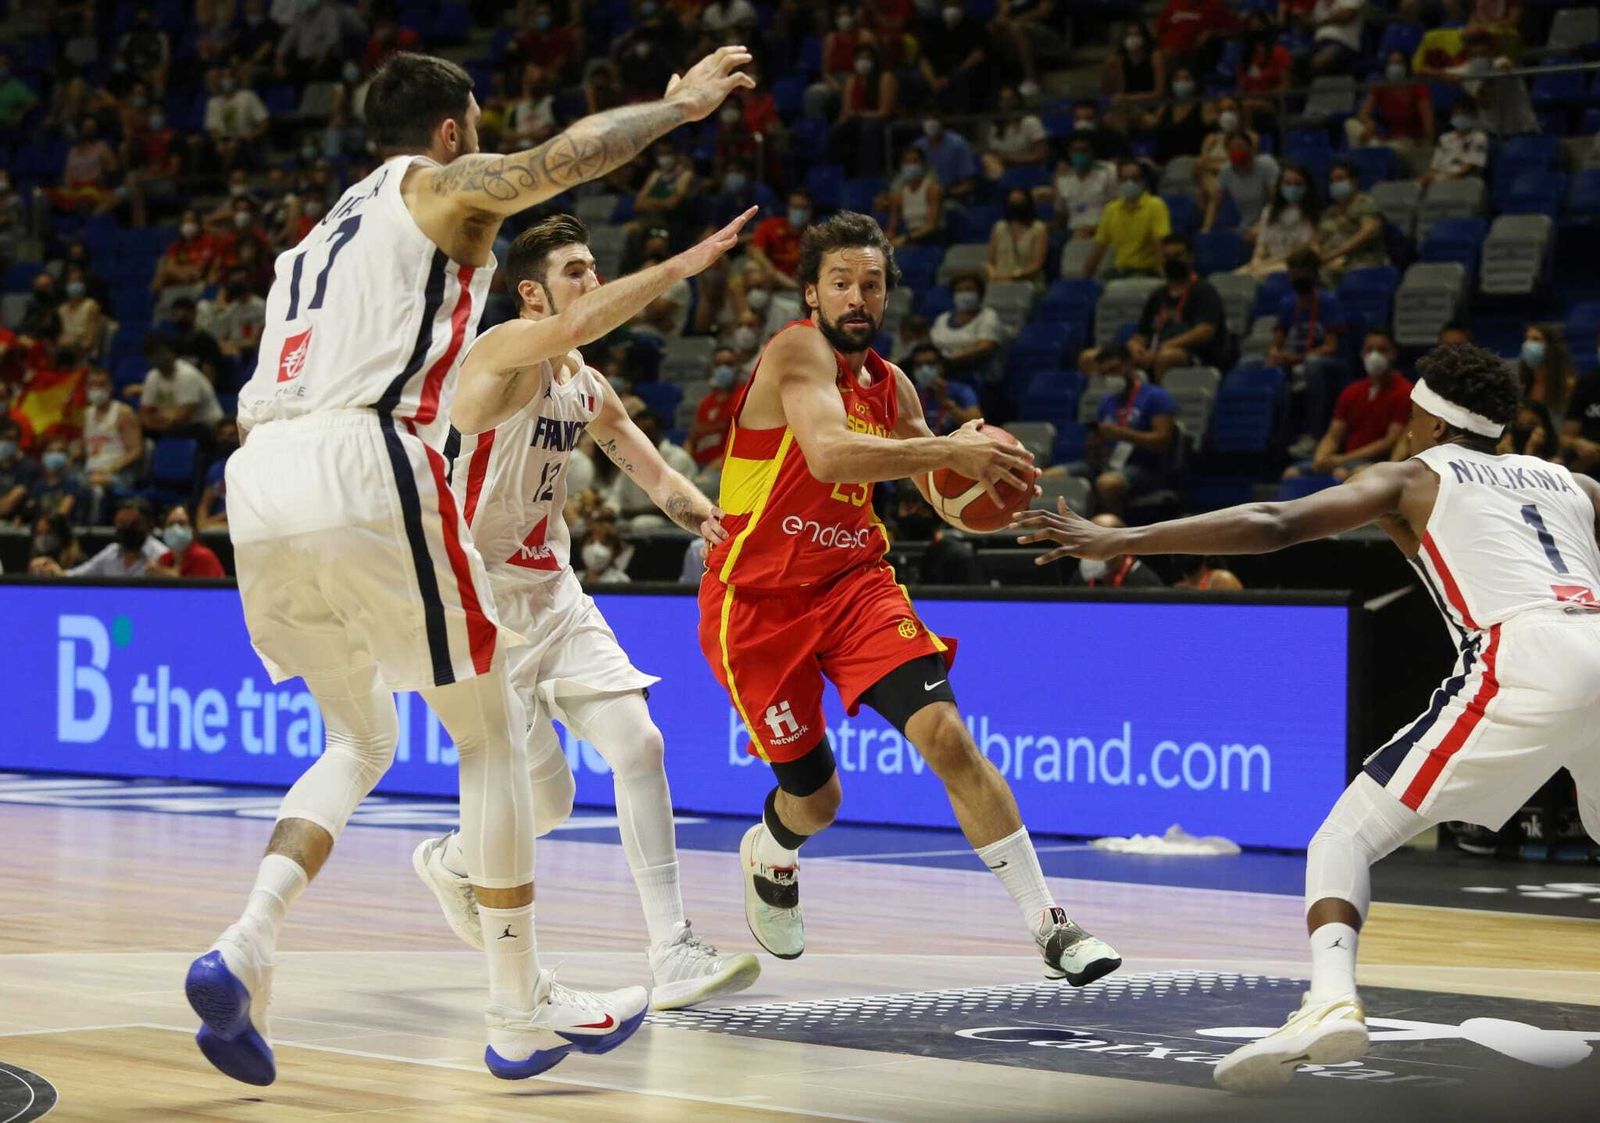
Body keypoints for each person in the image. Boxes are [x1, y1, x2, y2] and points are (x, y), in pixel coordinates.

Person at [187, 47, 756, 1088]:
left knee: (361, 736)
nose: (488, 142)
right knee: (489, 739)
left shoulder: (320, 235)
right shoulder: (435, 185)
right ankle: (518, 1010)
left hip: (260, 474)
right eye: (480, 124)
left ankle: (244, 944)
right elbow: (556, 163)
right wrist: (676, 111)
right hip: (365, 456)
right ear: (450, 131)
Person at [1014, 343, 1600, 1093]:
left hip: (1523, 650)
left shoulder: (1413, 474)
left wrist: (1119, 537)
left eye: (1410, 414)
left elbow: (1272, 522)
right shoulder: (1572, 480)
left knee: (1343, 837)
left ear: (1430, 420)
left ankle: (1329, 1000)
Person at [698, 209, 1121, 983]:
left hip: (855, 583)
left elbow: (935, 482)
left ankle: (1048, 921)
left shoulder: (890, 384)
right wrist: (947, 448)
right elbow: (828, 455)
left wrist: (986, 485)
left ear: (887, 293)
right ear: (812, 295)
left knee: (948, 736)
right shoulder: (796, 350)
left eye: (872, 283)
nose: (857, 297)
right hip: (757, 602)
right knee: (817, 800)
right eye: (841, 284)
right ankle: (771, 848)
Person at [411, 214, 761, 1011]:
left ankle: (672, 949)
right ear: (532, 292)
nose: (593, 282)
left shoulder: (586, 386)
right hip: (481, 603)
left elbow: (647, 467)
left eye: (596, 268)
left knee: (641, 742)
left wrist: (712, 521)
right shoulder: (497, 353)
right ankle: (458, 861)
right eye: (577, 270)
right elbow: (570, 328)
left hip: (556, 594)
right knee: (552, 802)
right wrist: (683, 261)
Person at [1284, 330, 1411, 482]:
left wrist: (1342, 459)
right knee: (1292, 473)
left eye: (1381, 350)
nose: (1374, 355)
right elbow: (1333, 435)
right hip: (1346, 461)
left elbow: (1389, 442)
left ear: (1393, 353)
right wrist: (1321, 456)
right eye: (1369, 349)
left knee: (1347, 474)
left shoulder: (1405, 391)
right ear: (1362, 353)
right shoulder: (1352, 391)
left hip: (1376, 462)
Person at [1074, 342, 1177, 516]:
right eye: (1105, 373)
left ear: (1129, 364)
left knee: (1107, 484)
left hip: (1145, 468)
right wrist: (1095, 443)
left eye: (1114, 369)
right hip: (1110, 463)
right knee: (1051, 477)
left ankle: (1114, 533)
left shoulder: (1155, 396)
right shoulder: (1107, 402)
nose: (1110, 377)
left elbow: (1163, 441)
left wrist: (1122, 434)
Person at [1273, 248, 1349, 437]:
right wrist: (1275, 354)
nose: (1296, 277)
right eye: (1293, 273)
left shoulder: (1328, 302)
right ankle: (1278, 437)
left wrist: (1297, 358)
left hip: (1329, 363)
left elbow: (1330, 347)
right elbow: (1276, 344)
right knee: (1250, 364)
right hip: (1297, 360)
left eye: (1301, 272)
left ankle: (1316, 433)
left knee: (1312, 365)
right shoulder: (1287, 303)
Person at [1129, 234, 1227, 379]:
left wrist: (1165, 346)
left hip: (1195, 355)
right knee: (1093, 357)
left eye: (1177, 255)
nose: (1172, 261)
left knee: (1165, 357)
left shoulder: (1204, 291)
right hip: (1156, 350)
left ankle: (1159, 400)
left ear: (1190, 257)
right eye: (1167, 256)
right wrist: (1135, 346)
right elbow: (1142, 334)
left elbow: (1205, 331)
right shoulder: (1157, 295)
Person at [30, 499, 165, 577]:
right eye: (122, 524)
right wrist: (52, 570)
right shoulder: (110, 553)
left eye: (134, 524)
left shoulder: (161, 556)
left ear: (149, 525)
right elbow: (76, 576)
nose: (127, 529)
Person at [1083, 160, 1171, 279]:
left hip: (1147, 271)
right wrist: (1083, 279)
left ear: (1143, 181)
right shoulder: (1111, 209)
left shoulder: (1156, 205)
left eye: (1134, 179)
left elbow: (1160, 245)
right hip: (1120, 272)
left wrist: (1165, 278)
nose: (1129, 183)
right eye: (1124, 179)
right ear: (1119, 181)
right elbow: (1099, 247)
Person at [1344, 52, 1434, 157]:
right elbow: (1363, 113)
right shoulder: (1382, 86)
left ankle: (1371, 152)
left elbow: (1428, 120)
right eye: (1391, 64)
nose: (1394, 67)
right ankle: (1370, 152)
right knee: (1350, 124)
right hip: (1388, 139)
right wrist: (1368, 122)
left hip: (1408, 142)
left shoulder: (1417, 87)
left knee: (1391, 148)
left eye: (1398, 63)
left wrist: (1428, 143)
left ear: (1406, 67)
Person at [1240, 162, 1318, 279]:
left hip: (1293, 265)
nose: (1292, 188)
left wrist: (1267, 264)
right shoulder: (1269, 211)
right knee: (1232, 278)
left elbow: (1303, 250)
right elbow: (1261, 245)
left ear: (1307, 186)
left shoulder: (1313, 213)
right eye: (1287, 183)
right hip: (1265, 263)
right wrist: (1256, 261)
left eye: (1298, 184)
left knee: (1257, 276)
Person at [1315, 160, 1386, 283]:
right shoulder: (1332, 211)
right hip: (1333, 261)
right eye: (1332, 181)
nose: (1336, 184)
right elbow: (1320, 237)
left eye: (1340, 179)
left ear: (1354, 181)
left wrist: (1335, 254)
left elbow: (1367, 232)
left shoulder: (1366, 203)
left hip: (1363, 260)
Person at [929, 273, 1006, 385]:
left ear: (980, 293)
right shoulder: (943, 318)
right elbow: (932, 345)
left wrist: (950, 360)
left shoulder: (988, 316)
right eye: (959, 290)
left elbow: (985, 346)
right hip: (943, 373)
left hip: (976, 375)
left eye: (969, 289)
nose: (964, 293)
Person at [139, 337, 223, 436]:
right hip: (172, 426)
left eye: (160, 353)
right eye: (152, 355)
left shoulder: (187, 375)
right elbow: (143, 414)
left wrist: (157, 415)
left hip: (207, 427)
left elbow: (183, 416)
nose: (158, 358)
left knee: (176, 430)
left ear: (172, 353)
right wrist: (166, 416)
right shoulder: (152, 376)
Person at [1065, 514, 1164, 587]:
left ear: (1120, 546)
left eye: (1097, 544)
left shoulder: (1145, 582)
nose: (1090, 551)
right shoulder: (1081, 577)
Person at [1051, 135, 1117, 241]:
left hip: (1102, 231)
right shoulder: (1063, 179)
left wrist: (1095, 229)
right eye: (1075, 151)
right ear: (1069, 153)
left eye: (1084, 150)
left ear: (1092, 152)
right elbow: (1060, 214)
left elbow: (1116, 207)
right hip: (1074, 232)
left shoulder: (1107, 173)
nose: (1079, 154)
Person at [689, 346, 744, 468]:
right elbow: (691, 439)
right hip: (698, 464)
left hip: (727, 466)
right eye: (718, 364)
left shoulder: (745, 398)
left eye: (729, 364)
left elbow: (746, 444)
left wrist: (718, 464)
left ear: (738, 367)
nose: (723, 368)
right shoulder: (705, 402)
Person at [907, 343, 980, 435]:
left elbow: (977, 422)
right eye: (919, 365)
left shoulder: (960, 390)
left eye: (930, 363)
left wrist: (946, 402)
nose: (924, 369)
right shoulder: (909, 392)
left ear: (940, 367)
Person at [1422, 95, 1489, 187]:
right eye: (1457, 113)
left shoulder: (1479, 138)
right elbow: (1434, 168)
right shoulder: (1444, 138)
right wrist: (1426, 178)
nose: (1460, 116)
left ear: (1473, 116)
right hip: (1440, 182)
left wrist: (1439, 179)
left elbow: (1467, 169)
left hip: (1465, 183)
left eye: (1465, 113)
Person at [987, 190, 1049, 288]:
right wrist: (993, 274)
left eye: (1020, 201)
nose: (1016, 204)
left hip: (1027, 284)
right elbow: (990, 261)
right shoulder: (999, 227)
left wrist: (1013, 276)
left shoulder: (1038, 228)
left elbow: (1037, 265)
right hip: (999, 282)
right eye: (1013, 201)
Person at [885, 147, 944, 248]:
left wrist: (906, 238)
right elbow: (892, 229)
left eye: (914, 161)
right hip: (910, 240)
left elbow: (932, 225)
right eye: (907, 162)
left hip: (932, 240)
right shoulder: (899, 196)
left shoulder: (933, 190)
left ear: (922, 165)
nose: (910, 165)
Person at [1516, 325, 1575, 422]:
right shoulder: (1520, 383)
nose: (1528, 345)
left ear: (1551, 345)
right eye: (1526, 339)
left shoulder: (1569, 386)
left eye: (1536, 339)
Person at [152, 504, 226, 578]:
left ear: (192, 529)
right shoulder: (164, 559)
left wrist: (168, 575)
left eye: (181, 523)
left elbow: (203, 588)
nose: (175, 528)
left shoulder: (204, 557)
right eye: (171, 524)